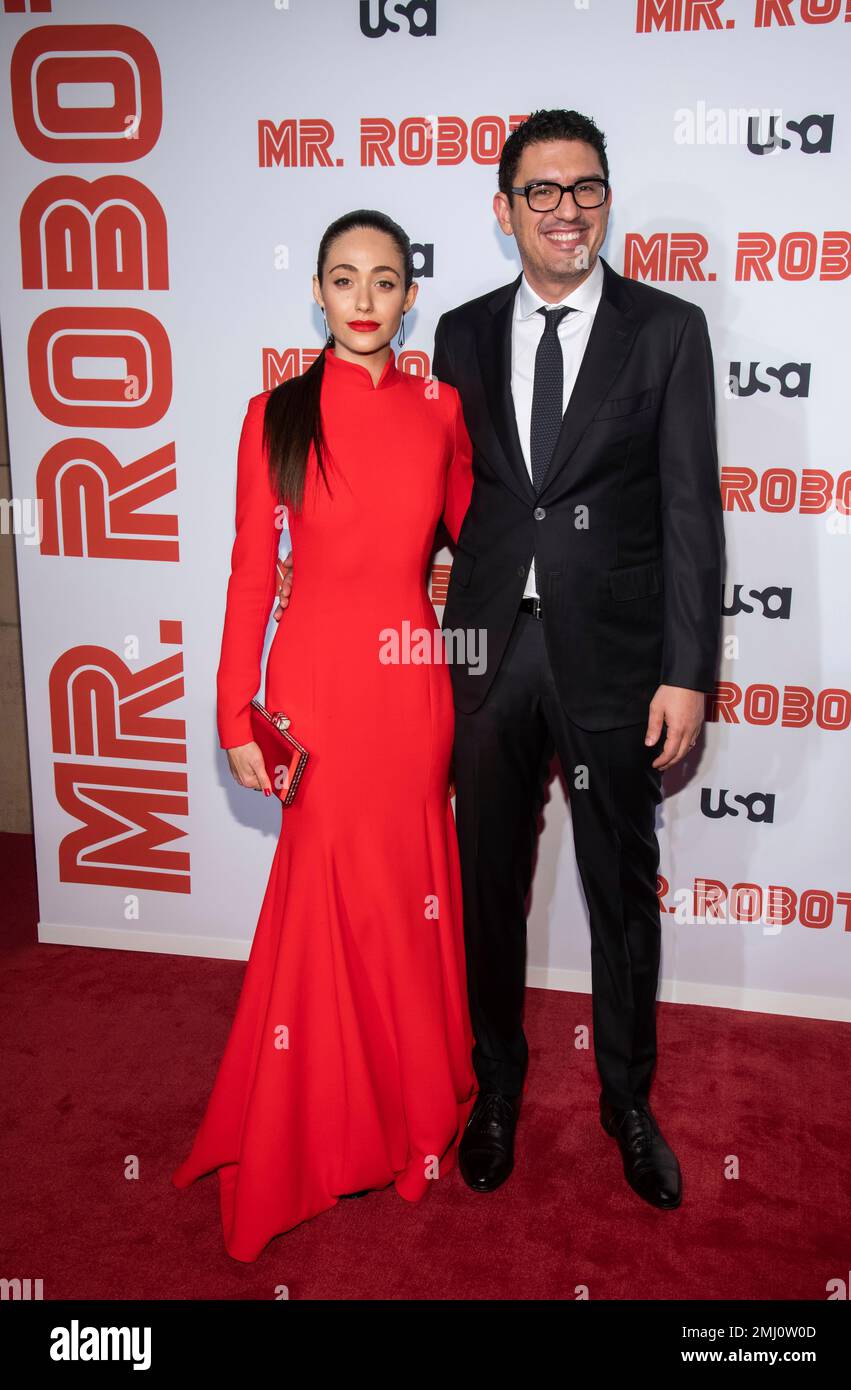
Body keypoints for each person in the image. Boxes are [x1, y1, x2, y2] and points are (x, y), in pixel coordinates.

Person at [275, 109, 726, 1214]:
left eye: (583, 188)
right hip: (480, 657)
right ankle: (493, 1090)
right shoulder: (463, 338)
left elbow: (687, 511)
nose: (563, 209)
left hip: (618, 661)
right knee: (481, 891)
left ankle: (627, 1100)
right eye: (540, 191)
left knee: (621, 893)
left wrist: (686, 670)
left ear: (604, 200)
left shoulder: (666, 330)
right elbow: (412, 505)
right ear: (502, 210)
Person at [171, 209, 478, 1262]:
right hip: (311, 689)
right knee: (327, 890)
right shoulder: (274, 415)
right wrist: (232, 713)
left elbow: (465, 539)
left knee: (402, 889)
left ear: (406, 296)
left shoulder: (443, 410)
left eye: (383, 280)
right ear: (315, 289)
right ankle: (326, 1119)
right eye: (342, 279)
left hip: (408, 687)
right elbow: (251, 575)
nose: (362, 298)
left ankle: (406, 1117)